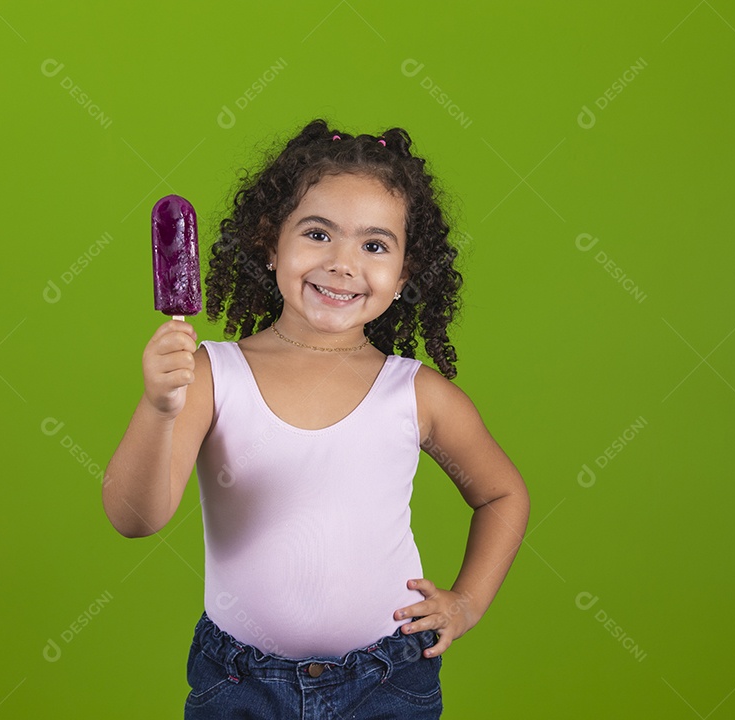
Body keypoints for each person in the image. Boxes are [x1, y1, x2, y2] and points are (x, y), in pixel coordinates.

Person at [103, 119, 530, 719]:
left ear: (404, 275)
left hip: (388, 682)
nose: (342, 263)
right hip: (241, 684)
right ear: (270, 244)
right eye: (318, 233)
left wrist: (466, 602)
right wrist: (159, 408)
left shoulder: (417, 393)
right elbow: (134, 519)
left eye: (374, 246)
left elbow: (502, 494)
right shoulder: (210, 376)